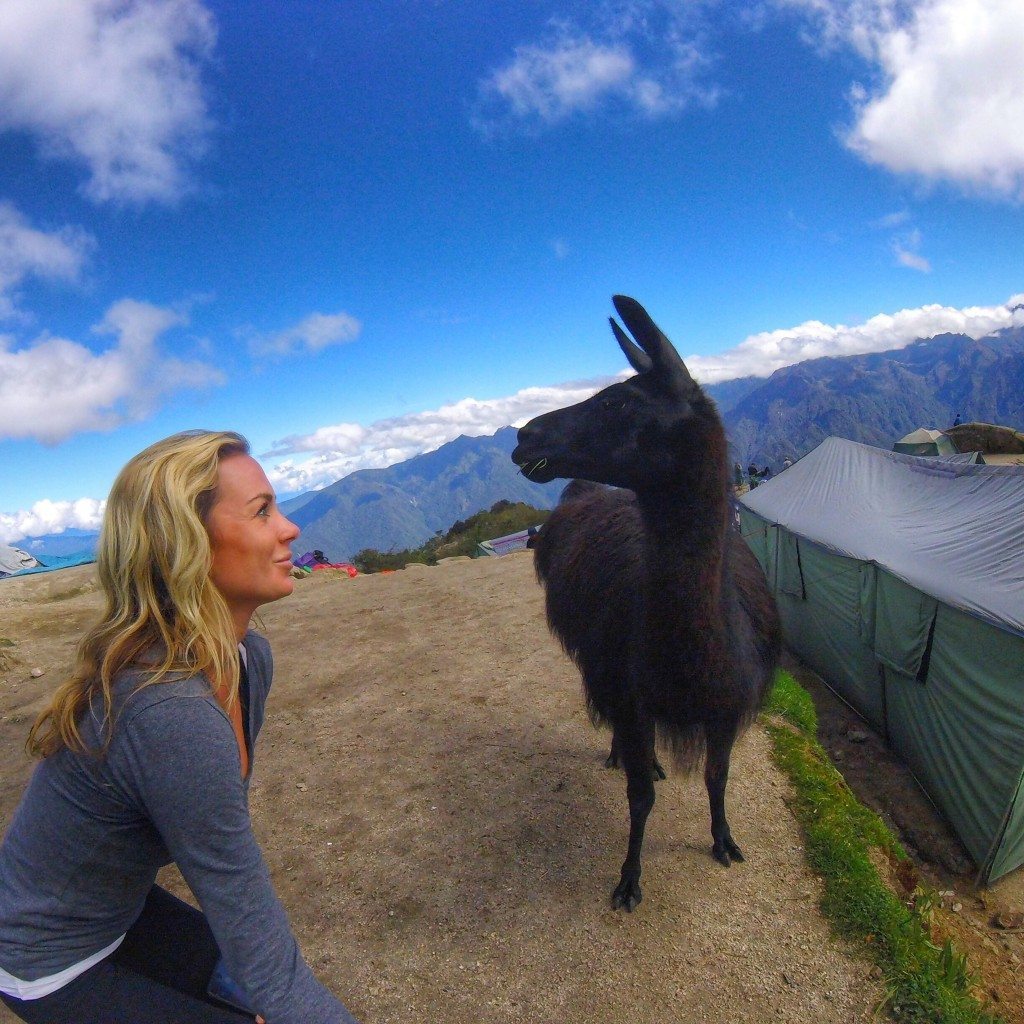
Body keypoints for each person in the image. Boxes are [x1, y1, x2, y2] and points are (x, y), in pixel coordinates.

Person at [0, 431, 359, 1024]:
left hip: (119, 908)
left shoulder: (248, 662)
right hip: (41, 952)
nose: (290, 528)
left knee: (256, 1001)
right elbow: (254, 934)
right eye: (262, 511)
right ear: (186, 546)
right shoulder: (167, 712)